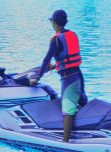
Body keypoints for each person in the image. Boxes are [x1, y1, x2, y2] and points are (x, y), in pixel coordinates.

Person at [29, 9, 86, 143]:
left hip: (69, 81)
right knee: (81, 104)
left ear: (54, 22)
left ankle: (65, 142)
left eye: (52, 22)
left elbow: (46, 59)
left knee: (67, 110)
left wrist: (37, 77)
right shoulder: (72, 34)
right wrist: (56, 66)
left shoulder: (55, 40)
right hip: (78, 77)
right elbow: (68, 56)